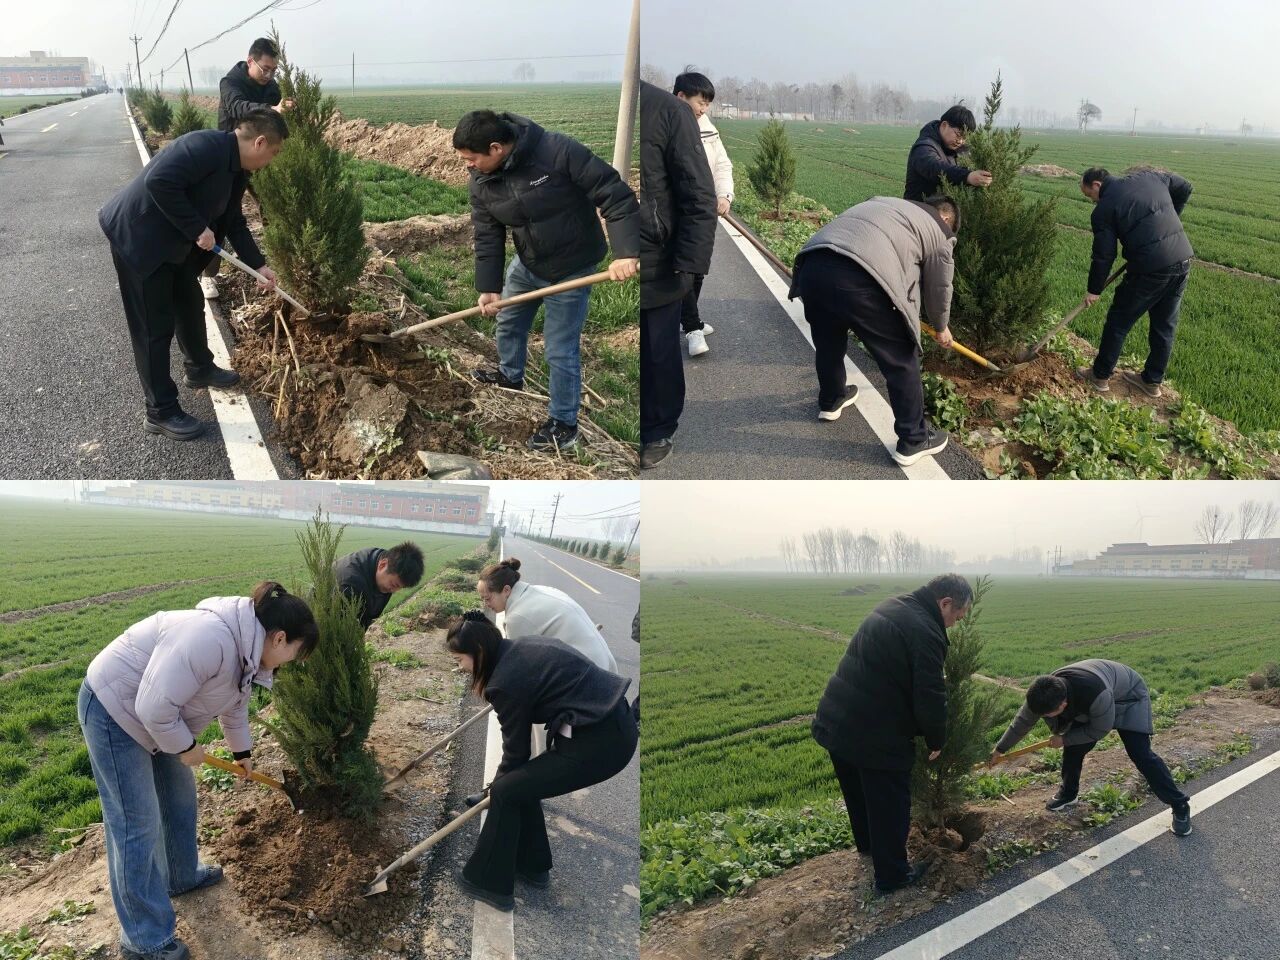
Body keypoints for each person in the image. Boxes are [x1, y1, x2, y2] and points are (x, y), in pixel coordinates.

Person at [78, 582, 319, 960]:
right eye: (294, 653)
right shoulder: (211, 638)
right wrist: (186, 747)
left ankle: (180, 875)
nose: (289, 662)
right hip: (114, 710)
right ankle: (143, 939)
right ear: (279, 638)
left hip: (158, 719)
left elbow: (235, 705)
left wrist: (242, 752)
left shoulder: (247, 652)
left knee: (179, 799)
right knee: (135, 823)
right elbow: (153, 708)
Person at [452, 110, 640, 453]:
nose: (468, 166)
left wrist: (626, 252)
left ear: (496, 148)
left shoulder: (556, 151)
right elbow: (487, 233)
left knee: (559, 348)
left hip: (573, 266)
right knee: (508, 322)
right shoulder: (481, 180)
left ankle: (564, 424)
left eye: (472, 158)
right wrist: (488, 287)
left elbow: (614, 193)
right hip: (529, 261)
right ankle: (510, 375)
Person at [98, 109, 289, 441]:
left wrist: (258, 266)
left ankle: (200, 368)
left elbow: (233, 221)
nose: (271, 161)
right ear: (259, 142)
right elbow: (159, 182)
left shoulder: (237, 170)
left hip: (173, 244)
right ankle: (160, 411)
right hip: (139, 239)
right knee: (153, 329)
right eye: (273, 153)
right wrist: (197, 227)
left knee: (189, 303)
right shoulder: (203, 147)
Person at [445, 610, 637, 912]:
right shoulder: (519, 648)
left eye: (460, 660)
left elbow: (515, 753)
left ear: (479, 651)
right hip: (610, 726)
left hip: (600, 744)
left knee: (508, 789)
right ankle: (532, 865)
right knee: (522, 783)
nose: (460, 668)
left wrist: (494, 789)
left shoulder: (504, 682)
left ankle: (488, 882)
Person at [811, 575, 972, 895]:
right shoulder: (926, 632)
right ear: (945, 603)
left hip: (836, 719)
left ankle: (869, 848)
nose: (955, 623)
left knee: (858, 793)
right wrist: (936, 739)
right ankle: (893, 876)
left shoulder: (893, 605)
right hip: (874, 731)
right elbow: (930, 695)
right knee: (890, 803)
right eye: (958, 616)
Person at [789, 195, 960, 466]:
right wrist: (941, 327)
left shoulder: (886, 203)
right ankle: (914, 439)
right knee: (901, 359)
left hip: (813, 265)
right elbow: (938, 287)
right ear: (947, 218)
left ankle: (832, 399)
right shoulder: (939, 231)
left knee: (828, 341)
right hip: (860, 278)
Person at [991, 658, 1192, 836]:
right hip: (1095, 701)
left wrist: (1064, 739)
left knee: (1141, 755)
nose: (1042, 718)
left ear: (1063, 705)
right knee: (1074, 749)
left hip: (1129, 698)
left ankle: (1180, 805)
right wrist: (1000, 749)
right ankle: (1068, 794)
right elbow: (1022, 722)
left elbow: (1100, 729)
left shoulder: (1094, 693)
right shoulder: (1042, 694)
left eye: (1046, 716)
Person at [638, 80, 717, 469]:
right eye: (702, 101)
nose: (704, 108)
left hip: (661, 259)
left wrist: (689, 263)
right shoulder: (619, 103)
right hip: (622, 260)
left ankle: (658, 429)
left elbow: (699, 193)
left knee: (659, 352)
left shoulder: (669, 112)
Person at [1074, 167, 1194, 399]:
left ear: (1097, 185)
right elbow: (1185, 187)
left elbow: (1104, 255)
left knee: (1118, 321)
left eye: (1090, 196)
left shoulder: (1104, 210)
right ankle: (1152, 381)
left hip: (1150, 270)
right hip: (1182, 261)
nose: (1093, 201)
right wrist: (1170, 221)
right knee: (1164, 326)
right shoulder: (1150, 177)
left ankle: (1099, 376)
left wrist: (1094, 290)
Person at [199, 37, 293, 300]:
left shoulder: (271, 87)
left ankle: (272, 262)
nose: (269, 75)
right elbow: (239, 108)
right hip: (230, 161)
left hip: (259, 157)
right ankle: (208, 275)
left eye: (274, 70)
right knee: (222, 215)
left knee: (271, 205)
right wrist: (271, 109)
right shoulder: (230, 83)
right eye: (265, 68)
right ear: (250, 61)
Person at [672, 70, 734, 358]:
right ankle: (692, 327)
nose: (704, 109)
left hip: (703, 211)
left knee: (698, 270)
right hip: (677, 211)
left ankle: (685, 318)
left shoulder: (708, 129)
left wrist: (724, 195)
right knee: (684, 271)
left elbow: (722, 165)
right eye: (700, 102)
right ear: (680, 97)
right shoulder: (667, 125)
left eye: (707, 103)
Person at [475, 557, 617, 671]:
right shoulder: (540, 590)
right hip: (606, 665)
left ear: (506, 590)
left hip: (589, 675)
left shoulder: (517, 617)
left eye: (487, 598)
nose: (486, 604)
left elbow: (519, 666)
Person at [903, 105, 992, 202]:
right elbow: (936, 168)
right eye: (958, 134)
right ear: (944, 125)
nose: (960, 141)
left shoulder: (960, 148)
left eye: (965, 137)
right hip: (918, 207)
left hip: (943, 209)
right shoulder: (923, 147)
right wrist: (967, 176)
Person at [334, 542, 425, 630]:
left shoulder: (386, 563)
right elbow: (339, 629)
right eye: (394, 585)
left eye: (401, 587)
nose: (394, 591)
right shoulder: (349, 585)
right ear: (382, 565)